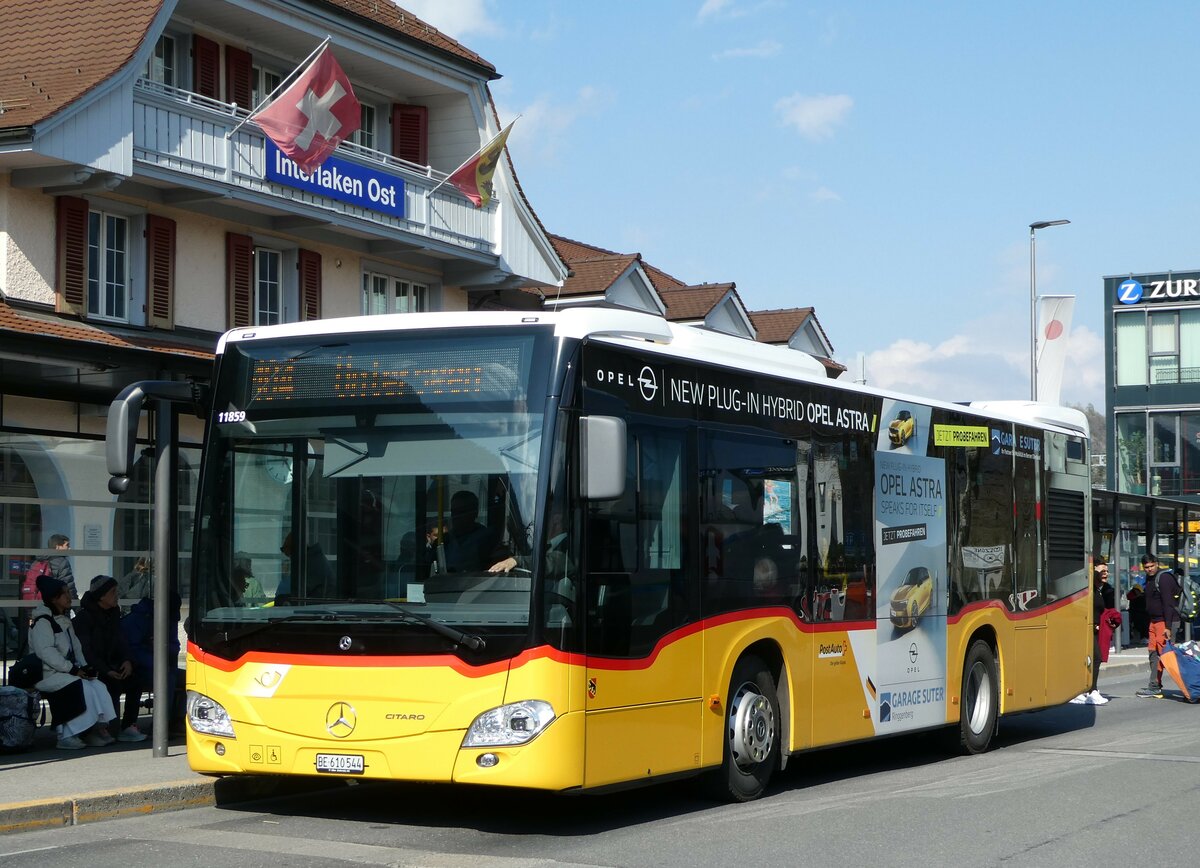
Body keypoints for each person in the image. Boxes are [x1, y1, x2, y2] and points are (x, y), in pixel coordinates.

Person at [29, 574, 117, 750]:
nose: (69, 597)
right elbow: (46, 652)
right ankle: (67, 735)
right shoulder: (43, 622)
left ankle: (92, 729)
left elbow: (77, 649)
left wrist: (84, 668)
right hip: (46, 674)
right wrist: (72, 669)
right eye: (65, 593)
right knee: (81, 686)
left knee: (97, 685)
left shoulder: (64, 621)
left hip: (64, 672)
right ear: (54, 598)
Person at [73, 575, 146, 742]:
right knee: (111, 684)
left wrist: (127, 660)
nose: (117, 595)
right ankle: (107, 728)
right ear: (101, 596)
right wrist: (106, 670)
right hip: (94, 668)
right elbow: (86, 652)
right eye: (113, 592)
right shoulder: (84, 619)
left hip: (113, 665)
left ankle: (128, 725)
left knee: (135, 681)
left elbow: (122, 641)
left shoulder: (113, 614)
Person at [122, 589, 183, 734]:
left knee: (190, 678)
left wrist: (163, 646)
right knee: (167, 677)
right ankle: (161, 724)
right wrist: (156, 657)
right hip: (139, 668)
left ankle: (178, 720)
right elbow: (133, 650)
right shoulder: (138, 618)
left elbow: (175, 646)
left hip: (154, 665)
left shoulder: (170, 618)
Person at [1136, 553, 1181, 698]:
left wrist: (1168, 627)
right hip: (1154, 621)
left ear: (1157, 564)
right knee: (1153, 654)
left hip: (1165, 622)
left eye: (1152, 566)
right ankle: (1154, 686)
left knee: (1167, 657)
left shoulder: (1164, 578)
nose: (1149, 569)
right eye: (1146, 567)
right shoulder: (1150, 579)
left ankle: (1191, 685)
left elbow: (1168, 604)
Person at [432, 491, 503, 573]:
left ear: (475, 513)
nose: (456, 517)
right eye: (454, 512)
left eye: (462, 512)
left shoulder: (488, 539)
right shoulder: (442, 541)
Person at [276, 532, 334, 604]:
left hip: (317, 606)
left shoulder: (311, 565)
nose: (291, 560)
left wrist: (280, 599)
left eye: (290, 556)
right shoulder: (313, 559)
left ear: (295, 551)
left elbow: (296, 594)